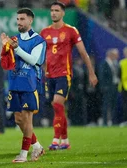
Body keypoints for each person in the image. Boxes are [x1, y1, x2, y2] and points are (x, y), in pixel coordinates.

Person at [40, 1, 98, 150]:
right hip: (49, 76)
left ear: (63, 13)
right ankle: (65, 140)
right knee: (56, 106)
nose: (53, 13)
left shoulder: (71, 31)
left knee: (58, 103)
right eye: (52, 10)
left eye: (57, 10)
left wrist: (91, 73)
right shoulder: (44, 32)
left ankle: (55, 140)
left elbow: (83, 53)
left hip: (64, 74)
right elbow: (40, 55)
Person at [0, 8, 46, 162]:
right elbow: (8, 62)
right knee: (19, 120)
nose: (19, 22)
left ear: (30, 20)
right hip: (14, 82)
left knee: (27, 118)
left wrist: (16, 48)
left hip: (29, 83)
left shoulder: (38, 40)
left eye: (22, 19)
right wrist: (5, 48)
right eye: (18, 19)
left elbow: (35, 60)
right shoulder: (14, 39)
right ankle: (37, 146)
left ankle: (23, 154)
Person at [99, 48, 120, 126]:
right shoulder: (104, 63)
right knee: (106, 105)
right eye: (114, 55)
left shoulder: (114, 63)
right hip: (107, 88)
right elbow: (102, 76)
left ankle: (113, 121)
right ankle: (105, 122)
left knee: (113, 105)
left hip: (114, 86)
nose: (116, 56)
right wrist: (104, 87)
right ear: (110, 55)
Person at [119, 47, 127, 126]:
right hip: (124, 86)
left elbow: (119, 75)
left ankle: (125, 120)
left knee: (125, 105)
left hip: (124, 86)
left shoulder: (122, 62)